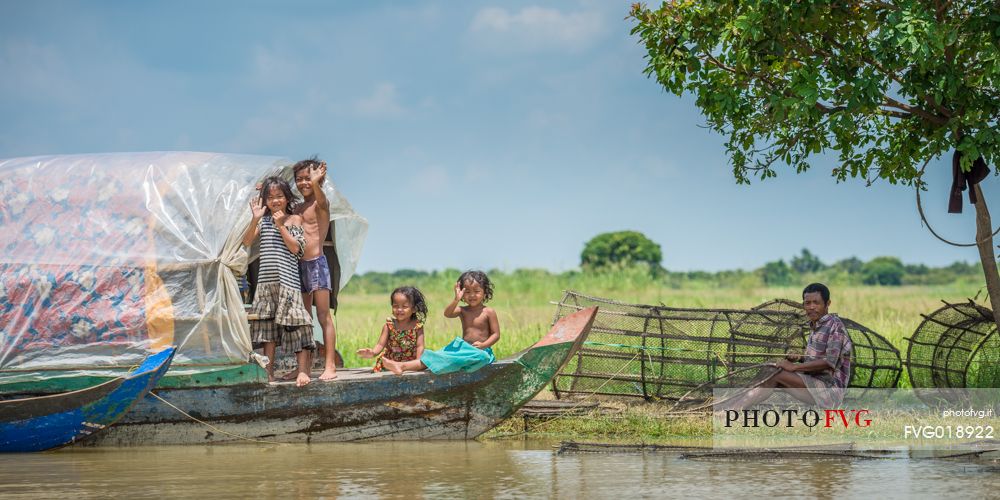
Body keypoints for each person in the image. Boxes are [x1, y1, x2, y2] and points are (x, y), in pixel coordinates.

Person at [728, 282, 852, 408]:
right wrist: (800, 358)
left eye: (816, 303)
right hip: (814, 384)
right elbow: (818, 358)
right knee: (769, 369)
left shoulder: (835, 326)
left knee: (775, 374)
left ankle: (732, 410)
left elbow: (829, 362)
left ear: (827, 304)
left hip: (829, 391)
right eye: (807, 303)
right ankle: (732, 404)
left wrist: (794, 367)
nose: (811, 307)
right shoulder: (816, 325)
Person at [242, 177, 315, 387]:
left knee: (297, 325)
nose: (275, 201)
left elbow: (296, 249)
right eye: (270, 197)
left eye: (279, 196)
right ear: (264, 200)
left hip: (288, 283)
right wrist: (255, 218)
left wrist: (280, 225)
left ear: (287, 198)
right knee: (268, 330)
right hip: (266, 283)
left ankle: (302, 371)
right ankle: (268, 371)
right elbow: (247, 241)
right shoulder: (263, 221)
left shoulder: (294, 220)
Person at [382, 271, 500, 375]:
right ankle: (401, 366)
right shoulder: (463, 310)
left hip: (481, 351)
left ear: (485, 292)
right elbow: (448, 313)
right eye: (467, 292)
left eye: (477, 291)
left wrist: (484, 345)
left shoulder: (489, 312)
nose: (472, 295)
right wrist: (456, 299)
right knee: (437, 357)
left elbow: (496, 334)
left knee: (483, 357)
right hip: (463, 349)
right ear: (462, 293)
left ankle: (403, 366)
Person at [292, 157, 338, 381]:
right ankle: (304, 368)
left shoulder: (321, 203)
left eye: (308, 178)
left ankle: (330, 365)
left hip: (316, 264)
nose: (304, 183)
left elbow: (322, 202)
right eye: (299, 179)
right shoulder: (297, 207)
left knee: (323, 316)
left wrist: (317, 183)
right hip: (298, 266)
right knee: (303, 318)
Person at [357, 286, 427, 372]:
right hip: (390, 362)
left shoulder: (417, 326)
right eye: (395, 306)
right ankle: (395, 366)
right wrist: (373, 353)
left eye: (404, 307)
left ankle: (404, 366)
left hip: (410, 363)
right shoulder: (389, 325)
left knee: (426, 362)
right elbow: (380, 345)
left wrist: (417, 362)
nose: (399, 309)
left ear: (413, 309)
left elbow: (420, 346)